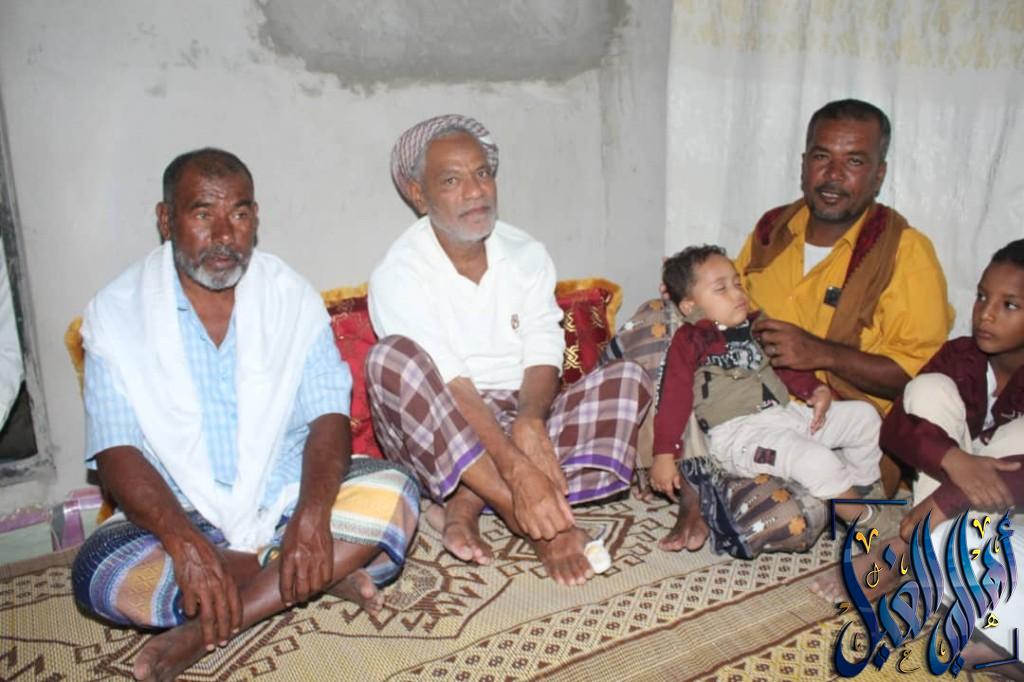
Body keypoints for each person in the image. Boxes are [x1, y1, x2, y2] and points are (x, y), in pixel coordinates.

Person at [71, 148, 420, 682]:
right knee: (99, 574)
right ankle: (307, 574)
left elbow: (328, 414)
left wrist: (310, 516)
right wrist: (184, 543)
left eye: (238, 213)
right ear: (166, 220)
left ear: (255, 218)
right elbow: (116, 452)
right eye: (202, 213)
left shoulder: (289, 296)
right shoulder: (117, 314)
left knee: (395, 490)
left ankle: (206, 629)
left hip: (284, 499)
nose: (223, 234)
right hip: (179, 513)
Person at [367, 115, 652, 586]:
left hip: (517, 406)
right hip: (445, 421)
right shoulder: (398, 273)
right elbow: (452, 385)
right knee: (390, 360)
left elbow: (544, 344)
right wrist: (518, 471)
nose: (475, 191)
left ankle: (464, 502)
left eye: (482, 173)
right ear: (419, 195)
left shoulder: (526, 252)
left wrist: (530, 421)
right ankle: (527, 518)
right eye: (452, 180)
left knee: (629, 378)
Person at [665, 99, 954, 551]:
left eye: (854, 161)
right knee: (662, 323)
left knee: (779, 519)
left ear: (879, 173)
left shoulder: (905, 252)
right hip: (743, 414)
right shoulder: (772, 230)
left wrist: (823, 355)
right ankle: (694, 484)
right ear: (804, 164)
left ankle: (851, 505)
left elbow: (919, 378)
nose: (833, 175)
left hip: (832, 431)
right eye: (822, 157)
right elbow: (721, 326)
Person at [812, 239, 1023, 676]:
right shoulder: (961, 354)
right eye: (982, 296)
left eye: (1010, 305)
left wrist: (948, 497)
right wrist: (954, 460)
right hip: (961, 500)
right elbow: (897, 426)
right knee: (926, 390)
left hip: (1011, 515)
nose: (985, 314)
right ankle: (926, 555)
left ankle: (912, 549)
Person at [652, 245, 882, 551]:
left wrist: (815, 390)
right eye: (721, 289)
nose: (737, 293)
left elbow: (785, 368)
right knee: (817, 460)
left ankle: (860, 488)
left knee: (865, 417)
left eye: (737, 283)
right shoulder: (691, 338)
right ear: (690, 306)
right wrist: (664, 454)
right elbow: (674, 397)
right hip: (743, 435)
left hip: (788, 415)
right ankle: (868, 523)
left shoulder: (756, 327)